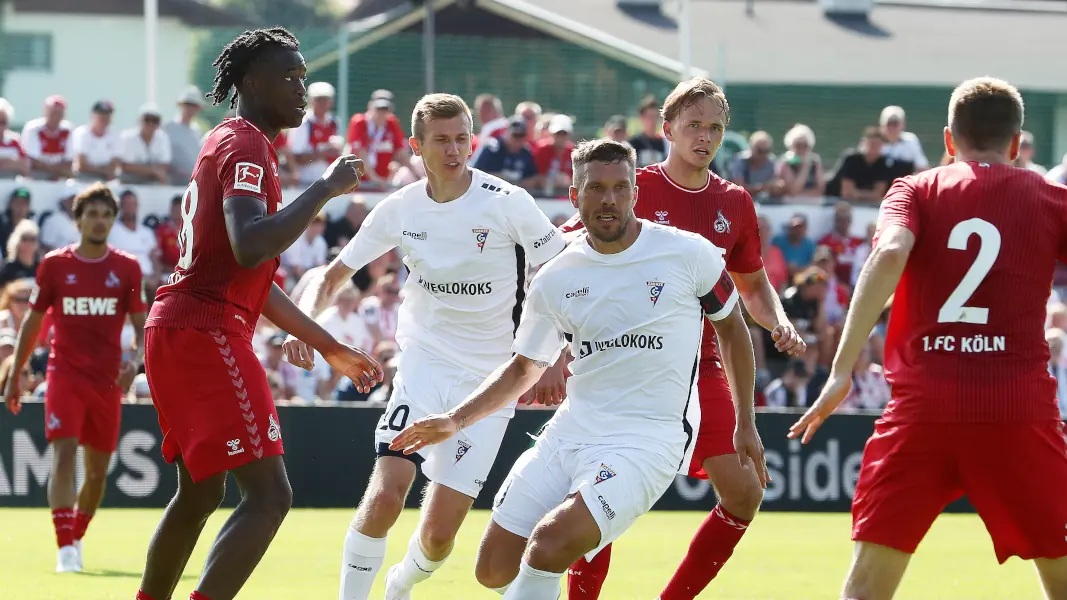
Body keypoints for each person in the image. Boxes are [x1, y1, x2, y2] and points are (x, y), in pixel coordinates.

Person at [388, 138, 767, 600]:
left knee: (549, 546)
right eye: (596, 188)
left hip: (647, 440)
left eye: (620, 187)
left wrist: (745, 421)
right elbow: (523, 368)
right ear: (574, 195)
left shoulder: (690, 254)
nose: (608, 199)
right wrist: (455, 419)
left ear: (635, 194)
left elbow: (733, 331)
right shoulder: (555, 276)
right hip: (569, 433)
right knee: (491, 570)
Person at [791, 77, 1067, 600]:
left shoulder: (915, 188)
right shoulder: (1052, 197)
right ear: (1016, 143)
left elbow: (890, 253)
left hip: (923, 410)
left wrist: (841, 371)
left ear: (947, 140)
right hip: (1019, 411)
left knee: (867, 587)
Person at [132, 27, 382, 600]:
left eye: (302, 76)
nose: (301, 88)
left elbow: (256, 279)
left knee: (198, 494)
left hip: (179, 326)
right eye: (289, 77)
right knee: (271, 497)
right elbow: (250, 245)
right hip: (206, 330)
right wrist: (322, 189)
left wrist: (327, 344)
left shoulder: (231, 141)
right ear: (250, 82)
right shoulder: (245, 145)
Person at [286, 92, 566, 600]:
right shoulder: (399, 208)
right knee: (388, 493)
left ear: (473, 141)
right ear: (416, 146)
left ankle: (402, 582)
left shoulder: (506, 202)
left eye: (462, 138)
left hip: (490, 384)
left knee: (438, 540)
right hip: (424, 365)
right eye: (441, 140)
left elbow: (563, 270)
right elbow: (333, 275)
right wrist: (304, 326)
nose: (454, 149)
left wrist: (555, 355)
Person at [560, 77, 804, 600]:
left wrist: (778, 320)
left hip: (703, 365)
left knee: (744, 493)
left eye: (715, 128)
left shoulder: (735, 203)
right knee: (601, 497)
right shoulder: (632, 186)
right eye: (693, 125)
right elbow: (564, 250)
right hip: (628, 366)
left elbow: (754, 286)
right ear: (667, 128)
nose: (705, 136)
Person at [2, 183, 146, 573]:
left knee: (98, 473)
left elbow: (142, 326)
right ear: (78, 218)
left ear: (114, 221)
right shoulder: (54, 264)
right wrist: (16, 375)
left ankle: (77, 533)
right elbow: (32, 324)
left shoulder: (128, 267)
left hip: (107, 382)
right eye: (92, 214)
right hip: (63, 374)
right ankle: (65, 547)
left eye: (106, 215)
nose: (99, 221)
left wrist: (137, 361)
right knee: (63, 456)